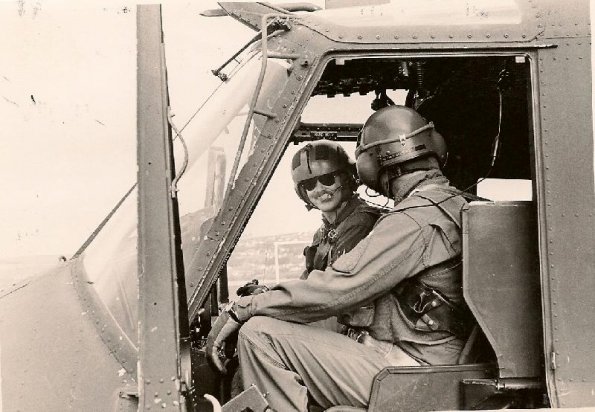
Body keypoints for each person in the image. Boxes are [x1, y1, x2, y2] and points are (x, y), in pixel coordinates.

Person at [207, 105, 476, 411]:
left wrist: (246, 307)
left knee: (258, 334)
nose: (319, 190)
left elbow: (342, 286)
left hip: (415, 370)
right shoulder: (446, 204)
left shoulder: (412, 219)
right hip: (427, 360)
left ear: (371, 165)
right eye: (309, 184)